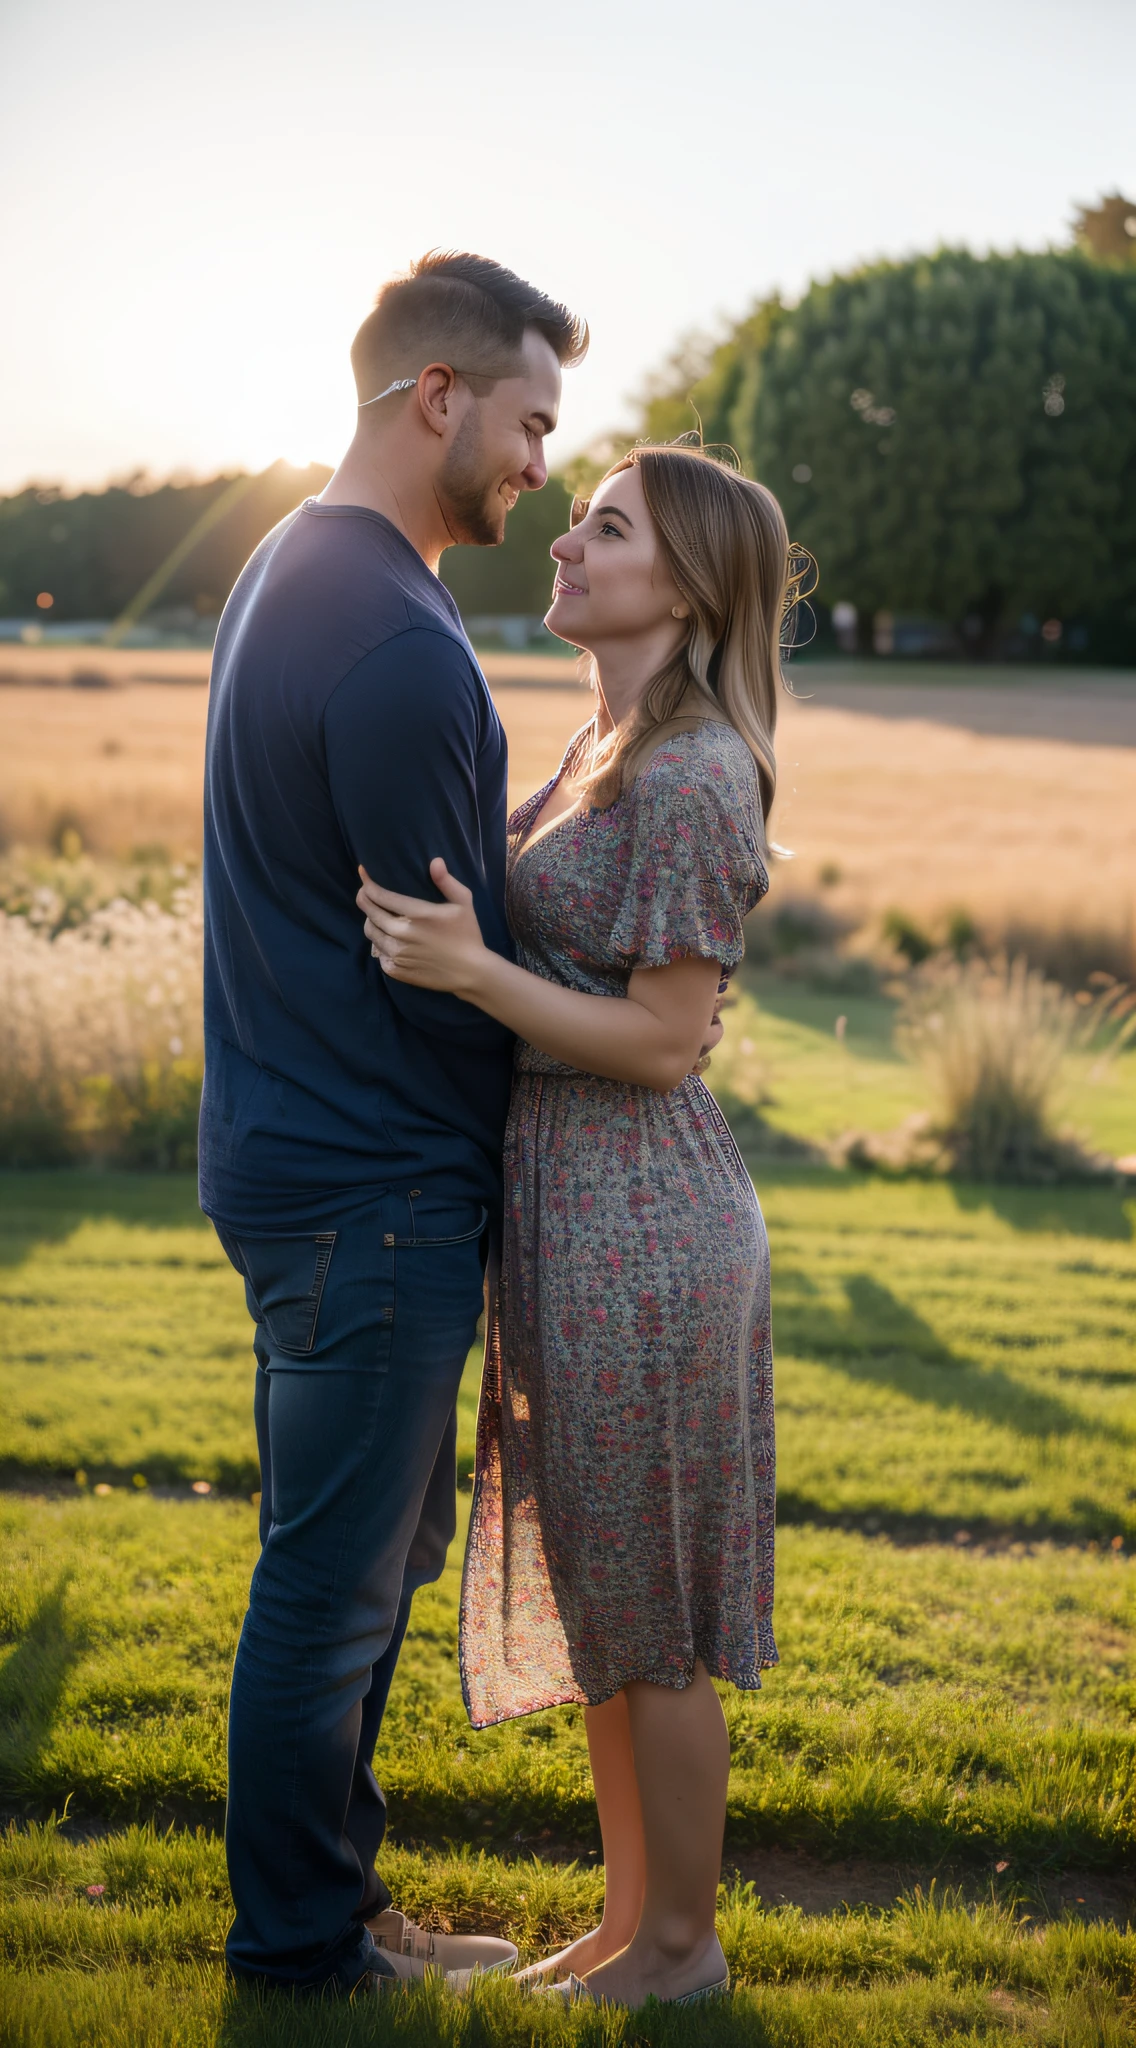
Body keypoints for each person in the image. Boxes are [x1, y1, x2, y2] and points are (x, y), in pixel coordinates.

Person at [357, 442, 795, 2009]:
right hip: (574, 1206)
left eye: (605, 526)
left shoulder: (683, 773)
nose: (565, 535)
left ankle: (682, 1945)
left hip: (643, 1218)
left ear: (681, 584)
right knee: (612, 1585)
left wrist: (474, 972)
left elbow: (670, 1037)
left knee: (655, 1604)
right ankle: (626, 1927)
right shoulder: (605, 744)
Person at [199, 250, 587, 1996]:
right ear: (437, 397)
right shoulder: (388, 638)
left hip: (304, 1152)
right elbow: (449, 960)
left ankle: (328, 1909)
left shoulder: (297, 564)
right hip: (372, 1182)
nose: (538, 466)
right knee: (338, 1587)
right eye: (527, 421)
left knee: (349, 1561)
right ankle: (301, 1945)